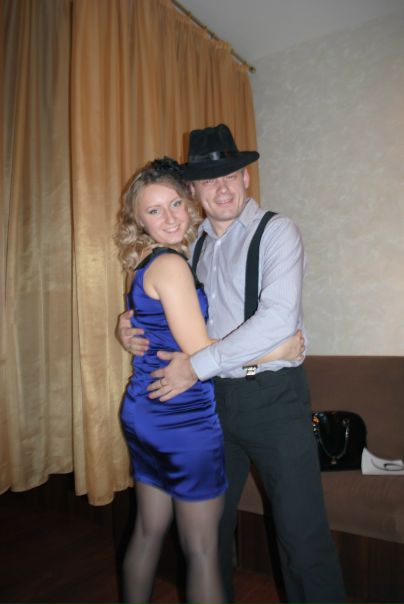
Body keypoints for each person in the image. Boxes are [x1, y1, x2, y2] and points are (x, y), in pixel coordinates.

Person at [117, 125, 347, 604]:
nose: (221, 188)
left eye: (230, 175)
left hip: (272, 400)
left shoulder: (278, 231)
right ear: (194, 191)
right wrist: (126, 325)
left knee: (301, 535)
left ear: (246, 178)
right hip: (211, 402)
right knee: (211, 531)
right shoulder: (192, 244)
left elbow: (277, 319)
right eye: (208, 179)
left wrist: (197, 365)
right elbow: (165, 308)